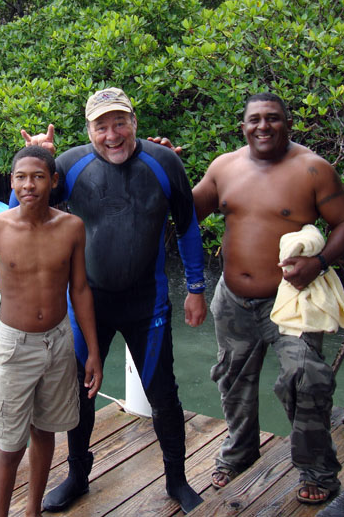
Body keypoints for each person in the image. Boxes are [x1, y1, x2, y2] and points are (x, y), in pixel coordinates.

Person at [20, 87, 208, 513]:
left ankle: (176, 481)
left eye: (120, 122)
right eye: (101, 126)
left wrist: (196, 289)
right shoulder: (69, 165)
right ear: (89, 130)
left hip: (149, 303)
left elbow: (188, 227)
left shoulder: (164, 163)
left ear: (134, 123)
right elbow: (25, 213)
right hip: (89, 303)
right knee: (81, 393)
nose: (112, 134)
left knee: (163, 394)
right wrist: (37, 162)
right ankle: (77, 476)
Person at [190, 92, 344, 505]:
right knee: (232, 380)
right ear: (242, 126)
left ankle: (317, 469)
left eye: (273, 119)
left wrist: (318, 262)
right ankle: (240, 451)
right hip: (232, 299)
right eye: (255, 120)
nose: (263, 126)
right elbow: (186, 213)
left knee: (306, 380)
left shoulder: (313, 169)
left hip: (292, 299)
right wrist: (161, 166)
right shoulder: (224, 167)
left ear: (288, 124)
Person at [0, 145, 103, 517]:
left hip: (58, 341)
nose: (29, 185)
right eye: (20, 177)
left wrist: (93, 350)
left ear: (53, 181)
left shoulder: (71, 227)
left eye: (38, 176)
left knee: (46, 431)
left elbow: (80, 289)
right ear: (11, 182)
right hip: (14, 344)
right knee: (8, 444)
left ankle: (33, 511)